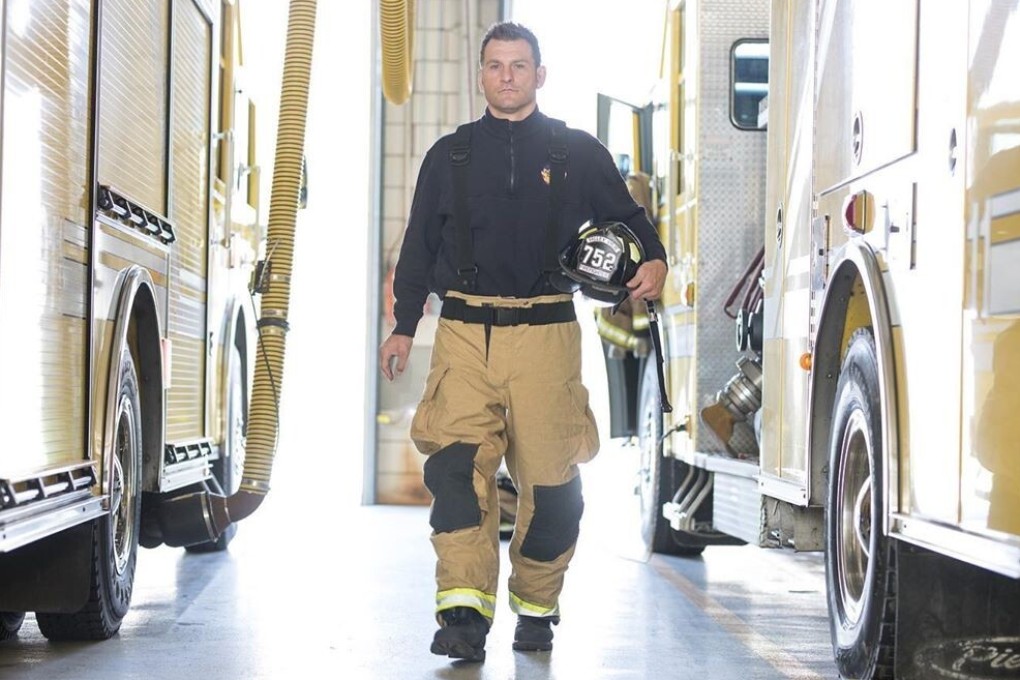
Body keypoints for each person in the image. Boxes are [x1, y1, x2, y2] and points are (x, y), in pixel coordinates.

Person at [378, 21, 667, 662]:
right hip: (463, 334)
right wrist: (402, 326)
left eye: (518, 65)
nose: (506, 76)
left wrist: (654, 260)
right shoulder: (448, 157)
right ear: (480, 75)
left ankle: (536, 609)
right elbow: (419, 248)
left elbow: (632, 221)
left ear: (540, 75)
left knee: (552, 482)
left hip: (547, 335)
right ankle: (463, 612)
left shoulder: (577, 153)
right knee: (457, 475)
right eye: (495, 65)